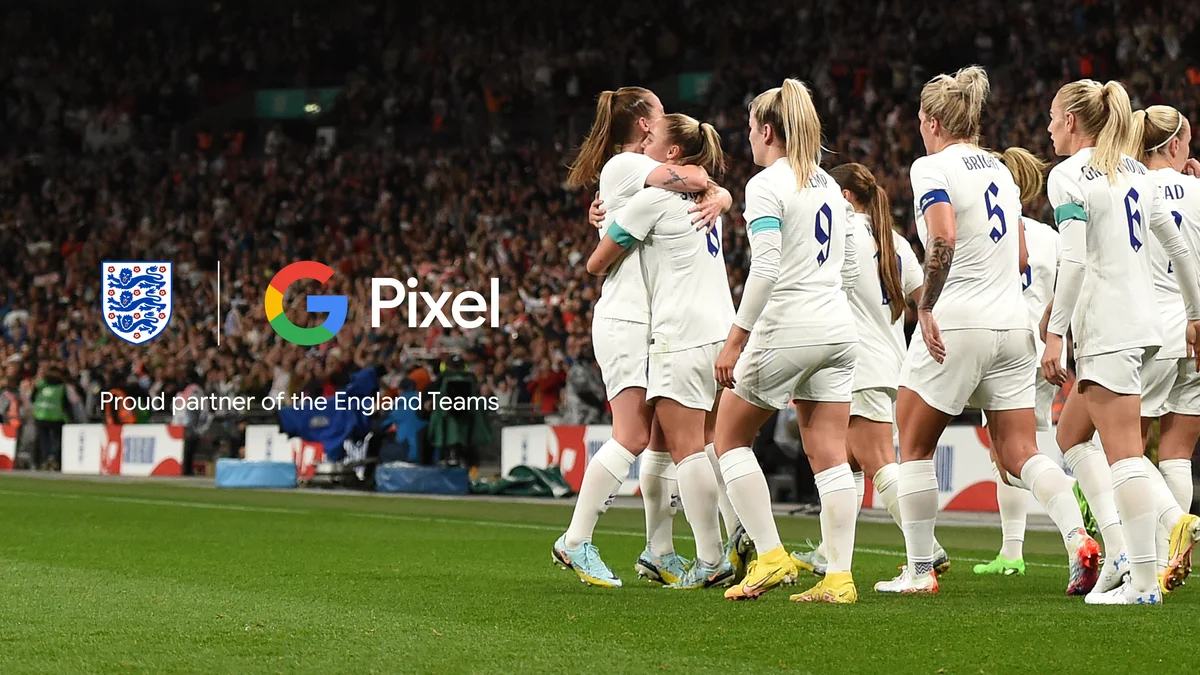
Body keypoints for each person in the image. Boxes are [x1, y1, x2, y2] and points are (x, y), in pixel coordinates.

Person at [877, 66, 1099, 597]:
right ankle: (1078, 541)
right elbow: (1020, 251)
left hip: (958, 320)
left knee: (912, 446)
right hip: (1011, 325)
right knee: (1022, 451)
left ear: (931, 121)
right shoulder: (1000, 172)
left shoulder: (931, 166)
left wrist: (926, 307)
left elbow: (943, 235)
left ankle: (919, 570)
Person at [554, 87, 733, 587]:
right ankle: (575, 539)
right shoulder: (627, 168)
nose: (660, 122)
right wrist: (716, 191)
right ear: (640, 122)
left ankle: (659, 550)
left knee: (658, 439)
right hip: (628, 319)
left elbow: (693, 180)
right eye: (655, 113)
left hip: (652, 322)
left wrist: (717, 192)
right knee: (633, 435)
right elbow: (695, 174)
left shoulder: (640, 180)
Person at [1042, 80, 1200, 605]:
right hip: (1148, 325)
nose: (1047, 127)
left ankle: (1147, 571)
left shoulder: (1067, 176)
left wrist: (1054, 332)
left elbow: (1076, 259)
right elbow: (1178, 246)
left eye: (1052, 117)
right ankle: (1121, 552)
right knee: (1070, 436)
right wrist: (1196, 313)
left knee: (1127, 455)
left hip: (1106, 329)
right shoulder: (1138, 173)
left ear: (1071, 122)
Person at [711, 78, 862, 604]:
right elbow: (848, 266)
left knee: (728, 437)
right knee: (829, 454)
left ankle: (771, 555)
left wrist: (735, 341)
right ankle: (839, 577)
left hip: (790, 325)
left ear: (768, 130)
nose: (747, 139)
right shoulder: (825, 183)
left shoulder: (766, 184)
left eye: (750, 129)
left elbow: (767, 268)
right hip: (839, 327)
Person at [791, 162, 950, 577]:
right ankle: (829, 550)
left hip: (854, 362)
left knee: (877, 459)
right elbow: (925, 298)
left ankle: (927, 547)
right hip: (887, 361)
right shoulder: (895, 243)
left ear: (843, 198)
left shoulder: (839, 236)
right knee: (845, 461)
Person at [973, 148, 1071, 577]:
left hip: (1006, 347)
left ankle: (1071, 498)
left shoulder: (990, 231)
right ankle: (1012, 550)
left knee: (1011, 452)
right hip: (1045, 350)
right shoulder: (1052, 236)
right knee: (1021, 449)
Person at [1130, 106, 1200, 590]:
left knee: (1127, 450)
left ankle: (1157, 548)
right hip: (1196, 326)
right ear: (1175, 146)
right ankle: (1165, 559)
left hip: (1150, 327)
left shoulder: (1132, 187)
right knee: (1177, 452)